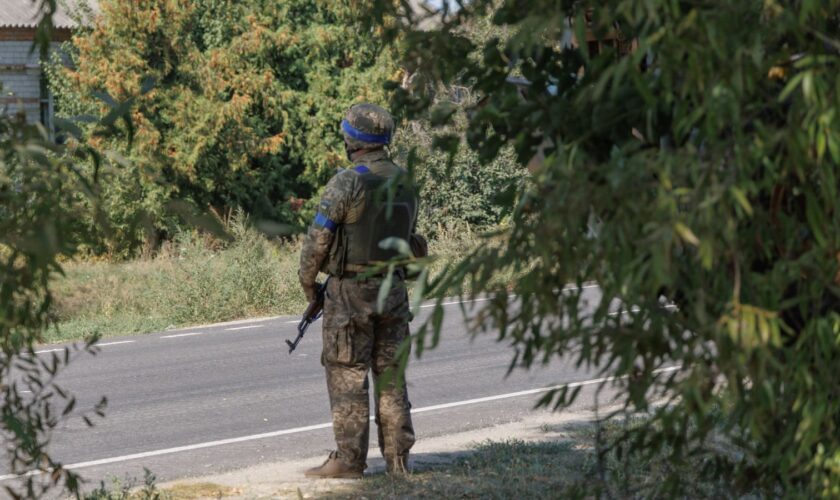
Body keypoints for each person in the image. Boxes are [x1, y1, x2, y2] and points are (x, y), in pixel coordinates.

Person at [299, 103, 421, 478]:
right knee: (390, 376)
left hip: (351, 292)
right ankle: (398, 460)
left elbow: (318, 242)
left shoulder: (347, 181)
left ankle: (349, 461)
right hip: (393, 290)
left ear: (353, 139)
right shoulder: (406, 181)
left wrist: (310, 286)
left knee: (348, 374)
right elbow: (411, 237)